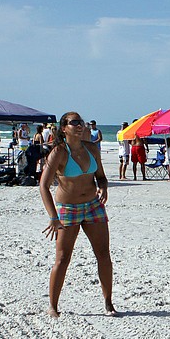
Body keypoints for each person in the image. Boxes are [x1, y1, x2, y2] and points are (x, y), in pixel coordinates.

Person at [39, 112, 116, 318]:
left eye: (80, 122)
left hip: (93, 205)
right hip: (68, 209)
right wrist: (53, 217)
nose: (79, 125)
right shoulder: (59, 153)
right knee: (63, 258)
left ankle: (108, 302)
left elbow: (101, 176)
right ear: (64, 128)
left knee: (103, 254)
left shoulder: (91, 148)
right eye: (74, 122)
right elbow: (44, 186)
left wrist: (104, 187)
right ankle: (53, 306)